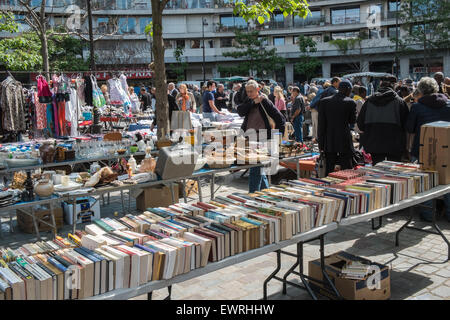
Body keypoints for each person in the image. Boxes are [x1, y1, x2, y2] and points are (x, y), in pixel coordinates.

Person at [406, 77, 450, 222]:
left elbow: (410, 129)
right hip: (446, 150)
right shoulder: (448, 104)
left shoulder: (417, 107)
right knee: (448, 182)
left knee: (425, 183)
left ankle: (427, 214)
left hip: (422, 149)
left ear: (421, 90)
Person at [237, 80, 285, 193]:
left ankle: (252, 195)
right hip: (250, 139)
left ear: (257, 89)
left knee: (255, 169)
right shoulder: (249, 100)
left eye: (251, 91)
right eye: (247, 91)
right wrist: (253, 102)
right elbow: (240, 111)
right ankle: (266, 193)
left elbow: (280, 119)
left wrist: (277, 137)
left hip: (263, 139)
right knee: (258, 169)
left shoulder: (265, 102)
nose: (249, 94)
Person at [357, 76, 410, 165]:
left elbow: (360, 124)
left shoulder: (369, 101)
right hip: (395, 144)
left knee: (377, 171)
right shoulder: (400, 102)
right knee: (394, 172)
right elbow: (407, 125)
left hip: (374, 143)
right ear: (393, 88)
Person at [318, 80, 357, 175]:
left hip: (329, 139)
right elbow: (352, 121)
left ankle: (329, 187)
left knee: (329, 169)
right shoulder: (350, 102)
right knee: (347, 168)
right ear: (348, 90)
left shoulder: (324, 102)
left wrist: (321, 144)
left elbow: (321, 125)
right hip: (344, 139)